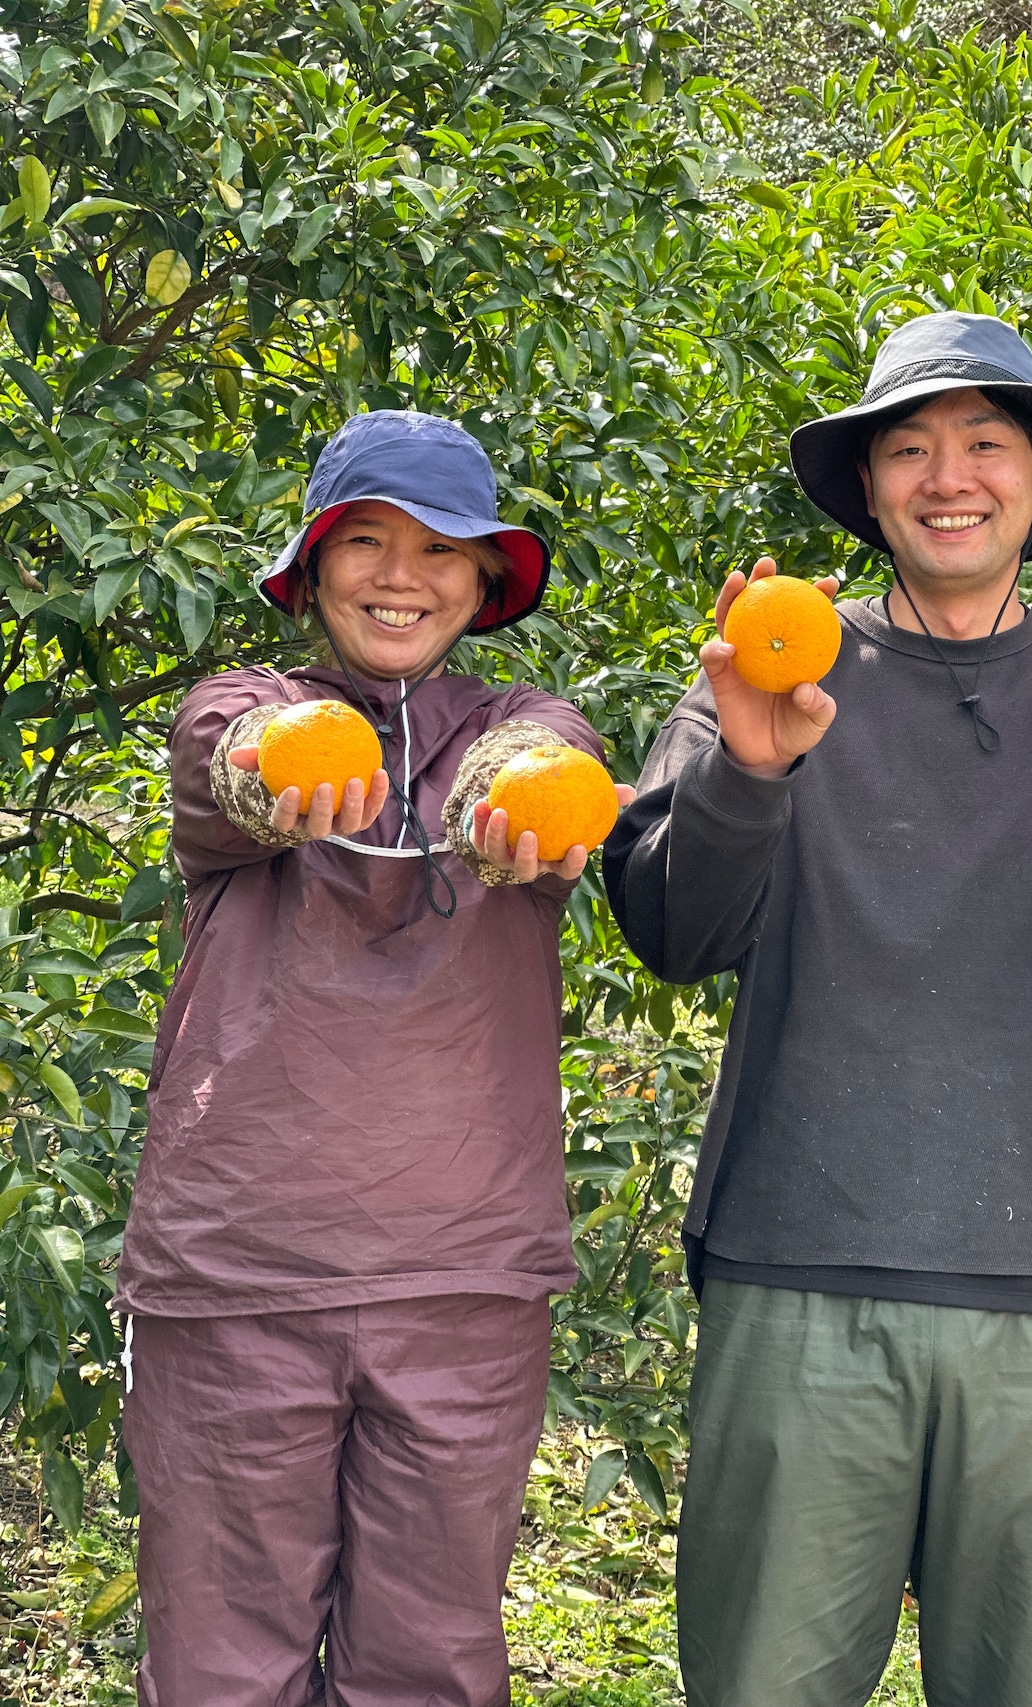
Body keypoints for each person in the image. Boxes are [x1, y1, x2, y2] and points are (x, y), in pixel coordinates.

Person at [603, 312, 1032, 1707]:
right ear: (868, 489)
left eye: (986, 444)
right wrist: (751, 769)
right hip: (801, 1275)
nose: (947, 475)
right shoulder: (769, 665)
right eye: (908, 448)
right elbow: (675, 928)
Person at [116, 409, 631, 1707]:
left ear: (482, 581)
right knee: (222, 1666)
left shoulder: (523, 721)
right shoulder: (248, 708)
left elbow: (544, 765)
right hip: (242, 1282)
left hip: (462, 1285)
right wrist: (272, 776)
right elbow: (226, 768)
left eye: (441, 548)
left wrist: (522, 797)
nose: (402, 574)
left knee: (430, 1665)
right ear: (315, 564)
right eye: (367, 541)